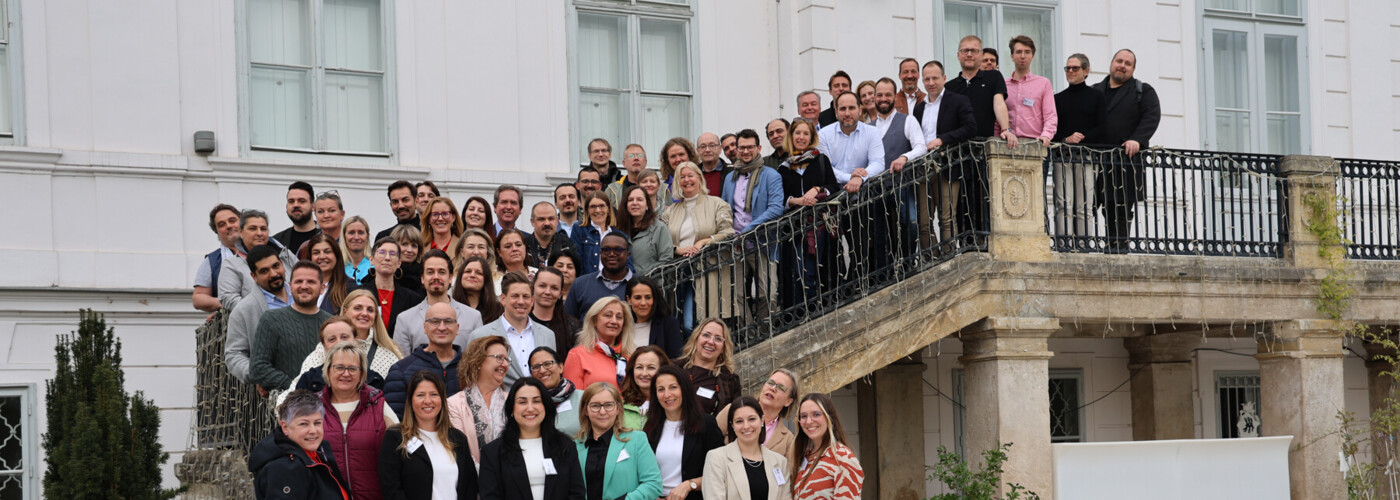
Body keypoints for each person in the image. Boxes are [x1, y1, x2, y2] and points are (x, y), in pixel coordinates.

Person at [1093, 48, 1161, 252]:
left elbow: (1151, 117)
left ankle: (1117, 250)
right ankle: (1080, 246)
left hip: (1125, 161)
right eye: (1119, 61)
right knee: (1084, 207)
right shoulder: (1094, 91)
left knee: (1119, 209)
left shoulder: (1143, 91)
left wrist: (1137, 140)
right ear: (1111, 63)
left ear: (1133, 68)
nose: (1122, 66)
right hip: (1094, 160)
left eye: (1127, 63)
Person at [949, 35, 1017, 234]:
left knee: (984, 200)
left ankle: (984, 241)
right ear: (958, 55)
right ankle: (965, 241)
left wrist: (1005, 129)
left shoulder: (993, 77)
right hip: (958, 153)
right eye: (965, 50)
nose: (969, 54)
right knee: (961, 203)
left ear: (980, 55)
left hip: (984, 151)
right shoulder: (950, 87)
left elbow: (999, 104)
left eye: (974, 50)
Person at [479, 377, 587, 500]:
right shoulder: (492, 453)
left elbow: (577, 494)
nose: (530, 408)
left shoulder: (565, 446)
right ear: (512, 409)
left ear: (545, 406)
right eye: (522, 402)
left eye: (536, 401)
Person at [378, 371, 480, 500]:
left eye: (434, 394)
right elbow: (391, 488)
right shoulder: (396, 437)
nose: (427, 401)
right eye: (420, 395)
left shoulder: (457, 439)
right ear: (410, 401)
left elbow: (469, 487)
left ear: (442, 399)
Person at [317, 340, 396, 500]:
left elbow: (401, 447)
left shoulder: (378, 405)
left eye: (352, 368)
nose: (346, 374)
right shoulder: (313, 407)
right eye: (339, 367)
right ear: (328, 370)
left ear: (362, 373)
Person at [659, 161, 735, 324]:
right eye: (682, 177)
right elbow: (661, 242)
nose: (686, 180)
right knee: (683, 322)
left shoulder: (717, 203)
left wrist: (703, 242)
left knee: (700, 320)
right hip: (679, 270)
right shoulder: (670, 212)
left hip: (707, 267)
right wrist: (677, 249)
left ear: (699, 178)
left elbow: (728, 233)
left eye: (690, 175)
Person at [721, 129, 786, 322]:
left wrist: (749, 229)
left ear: (758, 148)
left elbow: (776, 208)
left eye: (750, 147)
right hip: (735, 243)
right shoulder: (730, 177)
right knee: (736, 294)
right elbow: (725, 208)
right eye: (742, 147)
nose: (746, 151)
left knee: (767, 293)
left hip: (761, 241)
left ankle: (765, 331)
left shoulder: (771, 175)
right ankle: (748, 332)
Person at [775, 119, 840, 311]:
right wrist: (797, 201)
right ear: (791, 136)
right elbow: (780, 198)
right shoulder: (783, 167)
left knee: (814, 270)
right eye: (797, 133)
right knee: (798, 271)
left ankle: (814, 310)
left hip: (819, 224)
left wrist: (817, 189)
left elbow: (834, 187)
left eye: (806, 134)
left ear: (811, 138)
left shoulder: (820, 160)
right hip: (794, 227)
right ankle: (802, 312)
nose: (801, 137)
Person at [278, 306, 402, 403]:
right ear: (324, 346)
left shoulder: (374, 380)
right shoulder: (309, 380)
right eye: (332, 339)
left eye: (344, 337)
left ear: (356, 341)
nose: (339, 343)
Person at [913, 61, 979, 242]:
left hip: (948, 166)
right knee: (923, 221)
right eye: (927, 79)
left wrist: (942, 139)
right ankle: (930, 256)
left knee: (947, 218)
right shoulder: (919, 108)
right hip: (923, 168)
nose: (931, 83)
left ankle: (948, 255)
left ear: (944, 78)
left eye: (935, 78)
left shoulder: (957, 101)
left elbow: (970, 128)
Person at [249, 390, 351, 500]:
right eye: (303, 424)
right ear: (285, 427)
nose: (313, 431)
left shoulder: (317, 454)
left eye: (317, 423)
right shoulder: (285, 468)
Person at [873, 76, 930, 268]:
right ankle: (886, 270)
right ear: (874, 97)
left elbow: (921, 147)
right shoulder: (868, 127)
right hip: (876, 189)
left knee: (910, 222)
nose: (883, 98)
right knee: (880, 230)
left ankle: (907, 262)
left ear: (894, 96)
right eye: (879, 95)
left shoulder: (908, 120)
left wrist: (905, 157)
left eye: (888, 94)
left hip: (902, 184)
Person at [250, 262, 334, 395]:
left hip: (326, 401)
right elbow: (258, 368)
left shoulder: (332, 323)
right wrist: (296, 387)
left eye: (311, 282)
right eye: (298, 281)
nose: (304, 286)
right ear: (290, 286)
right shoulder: (271, 319)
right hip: (285, 401)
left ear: (322, 288)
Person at [645, 365, 724, 500]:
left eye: (673, 387)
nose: (667, 394)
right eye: (661, 389)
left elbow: (721, 470)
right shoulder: (651, 427)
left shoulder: (706, 424)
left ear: (684, 389)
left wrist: (690, 485)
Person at [574, 383, 664, 500]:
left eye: (608, 405)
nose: (602, 411)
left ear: (618, 409)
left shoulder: (637, 440)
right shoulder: (574, 446)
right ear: (585, 410)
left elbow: (653, 484)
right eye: (595, 406)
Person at [468, 271, 557, 387]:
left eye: (525, 296)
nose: (521, 301)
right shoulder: (480, 335)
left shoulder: (548, 335)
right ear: (503, 299)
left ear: (532, 301)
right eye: (515, 296)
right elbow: (471, 378)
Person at [1053, 53, 1107, 239]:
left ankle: (1083, 245)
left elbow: (1103, 127)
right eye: (1067, 68)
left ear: (1086, 71)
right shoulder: (1057, 98)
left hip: (1087, 157)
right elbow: (1052, 128)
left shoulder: (1097, 97)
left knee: (1084, 205)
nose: (1070, 71)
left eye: (1075, 68)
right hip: (1063, 156)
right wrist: (1066, 139)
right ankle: (1064, 244)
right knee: (1063, 204)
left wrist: (1081, 138)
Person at [394, 250, 485, 356]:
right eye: (430, 272)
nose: (436, 277)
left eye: (441, 272)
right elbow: (402, 361)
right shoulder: (405, 319)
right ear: (422, 278)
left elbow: (478, 359)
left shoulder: (473, 317)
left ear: (450, 278)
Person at [703, 396, 793, 500]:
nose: (746, 426)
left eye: (752, 419)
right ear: (732, 425)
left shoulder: (780, 462)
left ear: (762, 420)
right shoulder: (716, 458)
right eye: (739, 421)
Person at [383, 302, 464, 417]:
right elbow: (395, 419)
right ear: (425, 328)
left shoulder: (471, 367)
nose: (442, 327)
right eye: (435, 322)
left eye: (448, 322)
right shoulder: (401, 370)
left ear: (457, 328)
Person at [225, 245, 292, 384]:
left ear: (282, 264)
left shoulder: (303, 293)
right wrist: (259, 374)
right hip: (274, 388)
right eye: (264, 271)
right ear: (254, 276)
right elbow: (234, 354)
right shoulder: (244, 310)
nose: (273, 274)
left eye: (276, 266)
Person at [447, 335, 511, 464]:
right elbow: (460, 450)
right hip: (473, 473)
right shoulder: (453, 404)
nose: (505, 364)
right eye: (499, 357)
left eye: (506, 359)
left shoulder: (514, 400)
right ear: (478, 361)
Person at [219, 209, 298, 311]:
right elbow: (228, 298)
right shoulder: (231, 264)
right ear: (240, 232)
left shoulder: (285, 255)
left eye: (263, 229)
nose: (259, 233)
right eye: (253, 229)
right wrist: (264, 312)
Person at [789, 394, 863, 500]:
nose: (809, 421)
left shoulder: (843, 458)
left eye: (816, 414)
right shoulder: (804, 456)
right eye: (804, 416)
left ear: (829, 417)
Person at [716, 369, 800, 456]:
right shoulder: (731, 411)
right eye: (770, 382)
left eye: (781, 388)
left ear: (788, 401)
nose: (773, 388)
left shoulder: (788, 440)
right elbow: (710, 444)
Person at [353, 238, 425, 337]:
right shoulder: (357, 294)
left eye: (392, 254)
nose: (387, 258)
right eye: (382, 252)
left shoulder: (413, 299)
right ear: (372, 260)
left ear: (399, 263)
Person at [563, 297, 634, 389]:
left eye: (619, 317)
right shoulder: (577, 355)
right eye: (608, 315)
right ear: (594, 321)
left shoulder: (631, 356)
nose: (614, 321)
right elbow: (574, 396)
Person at [675, 318, 742, 416]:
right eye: (706, 335)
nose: (711, 342)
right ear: (696, 338)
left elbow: (736, 415)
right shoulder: (674, 369)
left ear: (723, 348)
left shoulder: (730, 382)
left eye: (718, 339)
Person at [563, 233, 633, 319]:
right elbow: (567, 322)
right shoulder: (580, 284)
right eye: (606, 249)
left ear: (628, 255)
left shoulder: (641, 286)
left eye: (618, 250)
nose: (611, 254)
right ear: (600, 253)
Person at [1004, 36, 1058, 147]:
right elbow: (997, 119)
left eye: (1027, 52)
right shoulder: (1003, 85)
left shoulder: (1043, 83)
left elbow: (1050, 115)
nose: (1023, 56)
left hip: (1035, 145)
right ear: (1012, 56)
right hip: (1007, 145)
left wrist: (1046, 135)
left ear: (1032, 56)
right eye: (1019, 52)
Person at [193, 203, 241, 312]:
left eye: (232, 220)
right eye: (221, 224)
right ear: (217, 232)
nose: (228, 226)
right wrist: (226, 303)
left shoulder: (262, 248)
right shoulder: (212, 261)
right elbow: (198, 298)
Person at [617, 185, 674, 276]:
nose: (634, 203)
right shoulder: (618, 228)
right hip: (623, 282)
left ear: (647, 205)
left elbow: (666, 261)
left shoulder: (659, 228)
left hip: (650, 282)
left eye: (639, 199)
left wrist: (644, 277)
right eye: (630, 200)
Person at [530, 346, 584, 438]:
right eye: (536, 367)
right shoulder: (529, 405)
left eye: (547, 364)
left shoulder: (583, 398)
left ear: (560, 367)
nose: (542, 370)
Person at [625, 276, 684, 359]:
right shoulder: (622, 325)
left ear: (654, 299)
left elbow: (676, 360)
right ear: (629, 300)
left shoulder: (668, 324)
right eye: (638, 298)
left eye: (648, 297)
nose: (643, 303)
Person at [531, 267, 580, 357]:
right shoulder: (522, 321)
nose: (547, 292)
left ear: (560, 293)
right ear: (533, 287)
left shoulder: (572, 326)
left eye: (554, 288)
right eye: (542, 286)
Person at [619, 345, 669, 430]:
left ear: (663, 370)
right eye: (639, 367)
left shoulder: (670, 405)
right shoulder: (619, 405)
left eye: (651, 368)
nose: (644, 373)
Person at [571, 192, 618, 276]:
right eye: (593, 207)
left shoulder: (618, 234)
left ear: (608, 209)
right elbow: (576, 262)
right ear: (587, 211)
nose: (598, 210)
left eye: (602, 206)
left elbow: (627, 265)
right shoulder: (579, 229)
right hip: (588, 281)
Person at [302, 234, 351, 314]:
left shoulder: (350, 287)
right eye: (316, 253)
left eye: (327, 252)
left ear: (336, 255)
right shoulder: (302, 286)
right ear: (310, 258)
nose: (322, 256)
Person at [272, 181, 321, 258]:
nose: (296, 205)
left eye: (302, 201)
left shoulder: (326, 236)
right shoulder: (277, 242)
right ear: (286, 206)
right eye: (291, 201)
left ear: (313, 206)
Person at [452, 255, 505, 325]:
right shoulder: (450, 306)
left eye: (479, 273)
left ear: (486, 279)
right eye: (468, 271)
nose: (472, 275)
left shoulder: (497, 310)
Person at [526, 202, 577, 267]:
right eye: (541, 219)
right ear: (532, 222)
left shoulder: (568, 246)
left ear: (557, 221)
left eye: (551, 219)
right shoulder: (523, 246)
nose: (547, 223)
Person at [391, 225, 426, 297]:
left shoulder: (424, 274)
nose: (410, 250)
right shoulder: (385, 273)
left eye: (414, 246)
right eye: (404, 244)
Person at [341, 216, 373, 285]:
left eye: (361, 233)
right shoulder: (337, 266)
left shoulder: (375, 265)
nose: (356, 237)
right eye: (351, 232)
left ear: (367, 236)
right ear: (344, 236)